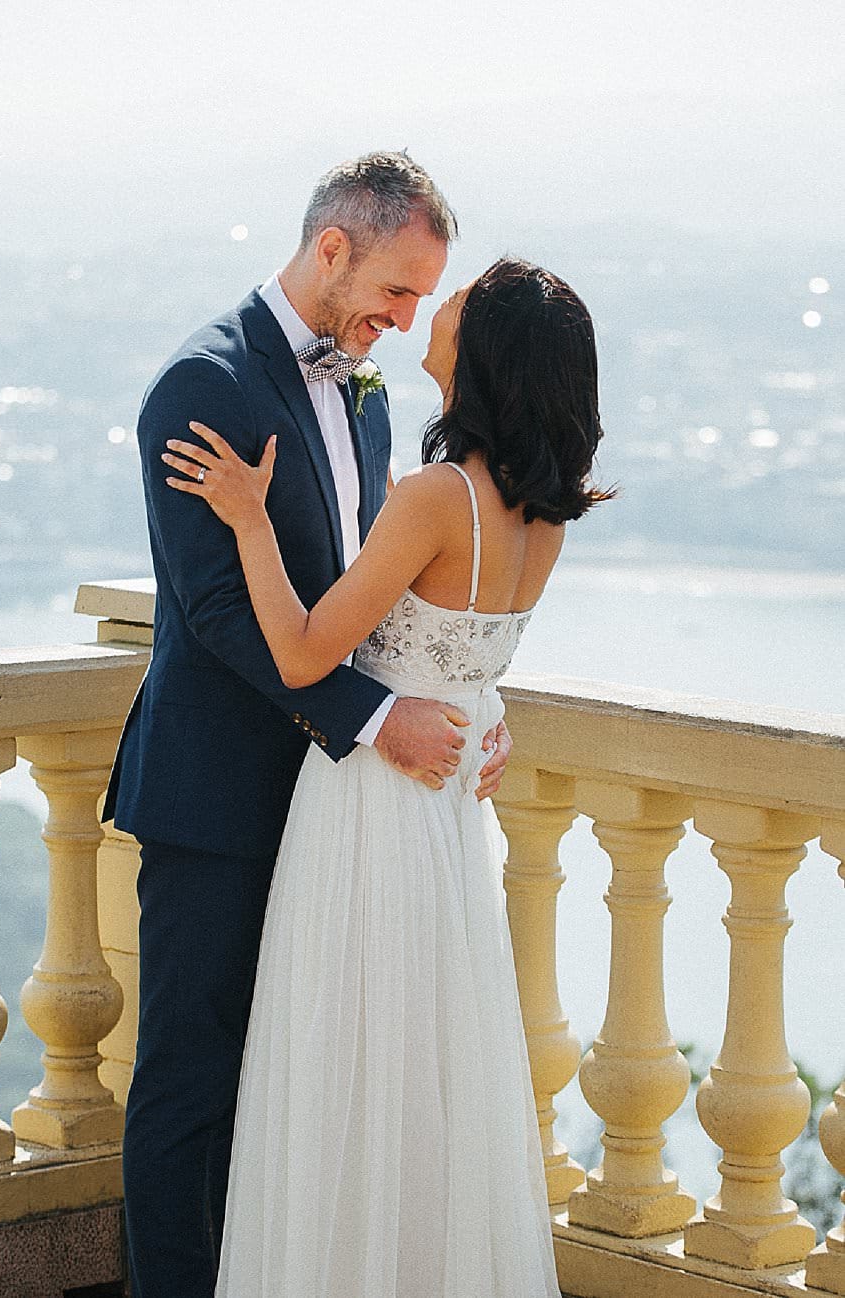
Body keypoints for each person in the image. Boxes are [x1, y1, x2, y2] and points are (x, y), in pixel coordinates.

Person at [101, 151, 510, 1297]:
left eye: (424, 299)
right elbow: (219, 608)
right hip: (219, 795)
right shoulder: (201, 386)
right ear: (331, 246)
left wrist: (472, 701)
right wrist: (378, 719)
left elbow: (359, 600)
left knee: (298, 1079)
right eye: (397, 287)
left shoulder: (364, 392)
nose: (406, 316)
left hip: (334, 814)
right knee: (193, 1080)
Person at [164, 255, 614, 1295]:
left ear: (486, 351)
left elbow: (300, 653)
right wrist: (488, 724)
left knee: (344, 1065)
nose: (434, 308)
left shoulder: (434, 496)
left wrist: (248, 521)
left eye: (455, 301)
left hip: (369, 806)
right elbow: (472, 659)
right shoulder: (542, 516)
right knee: (430, 1070)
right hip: (449, 814)